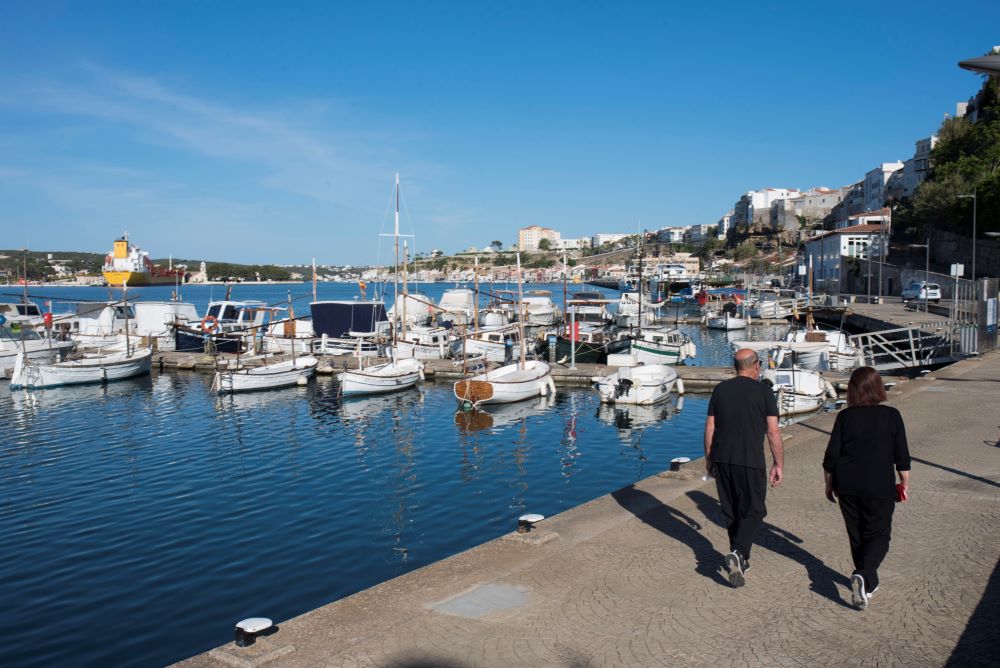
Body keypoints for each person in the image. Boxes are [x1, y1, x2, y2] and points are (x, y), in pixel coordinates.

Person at [823, 366, 910, 609]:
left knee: (857, 535)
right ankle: (863, 575)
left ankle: (868, 584)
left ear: (853, 390)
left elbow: (831, 456)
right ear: (878, 388)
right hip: (878, 485)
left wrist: (829, 484)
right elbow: (901, 456)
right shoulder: (891, 416)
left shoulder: (844, 417)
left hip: (846, 485)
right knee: (880, 534)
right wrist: (904, 482)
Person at [704, 348, 784, 587]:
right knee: (755, 510)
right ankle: (738, 552)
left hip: (722, 458)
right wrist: (778, 463)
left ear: (735, 367)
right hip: (749, 459)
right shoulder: (764, 392)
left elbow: (710, 427)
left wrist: (709, 459)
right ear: (757, 365)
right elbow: (773, 432)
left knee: (732, 511)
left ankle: (739, 559)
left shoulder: (720, 390)